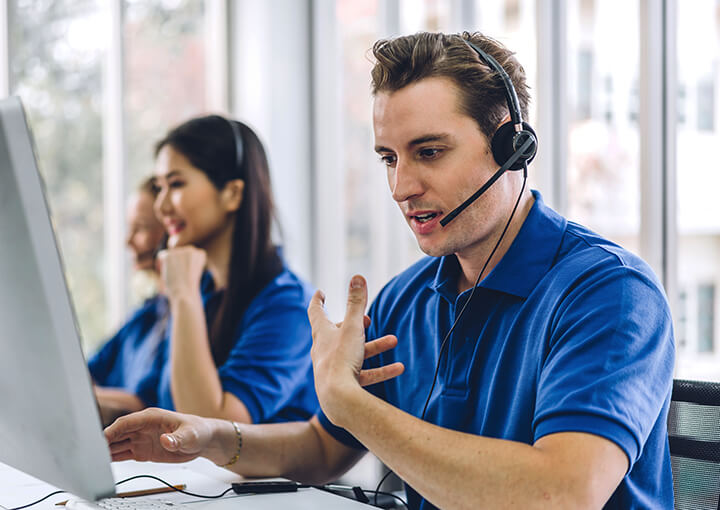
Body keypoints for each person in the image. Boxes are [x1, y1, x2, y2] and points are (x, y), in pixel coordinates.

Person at [105, 33, 674, 509]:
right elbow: (321, 448)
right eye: (388, 158)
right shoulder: (409, 297)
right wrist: (210, 437)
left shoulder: (612, 295)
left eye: (429, 152)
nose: (401, 187)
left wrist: (351, 404)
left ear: (510, 147)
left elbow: (563, 492)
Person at [148, 115, 318, 424]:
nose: (161, 207)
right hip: (191, 474)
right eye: (158, 187)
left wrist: (183, 294)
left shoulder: (289, 306)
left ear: (233, 194)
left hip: (255, 474)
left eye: (175, 184)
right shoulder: (204, 290)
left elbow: (212, 430)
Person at [89, 177, 168, 425]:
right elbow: (88, 372)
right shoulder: (145, 314)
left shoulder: (186, 320)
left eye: (141, 228)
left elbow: (147, 405)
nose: (128, 241)